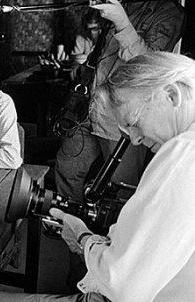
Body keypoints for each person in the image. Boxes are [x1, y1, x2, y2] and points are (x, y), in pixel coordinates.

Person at [0, 51, 195, 302]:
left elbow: (126, 288)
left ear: (171, 95)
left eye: (132, 122)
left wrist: (82, 239)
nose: (135, 138)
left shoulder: (185, 152)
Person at [55, 0, 184, 202]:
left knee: (121, 187)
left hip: (123, 117)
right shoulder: (123, 4)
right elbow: (103, 54)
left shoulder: (170, 12)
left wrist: (122, 23)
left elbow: (149, 65)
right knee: (67, 168)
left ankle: (113, 233)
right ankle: (69, 223)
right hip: (89, 106)